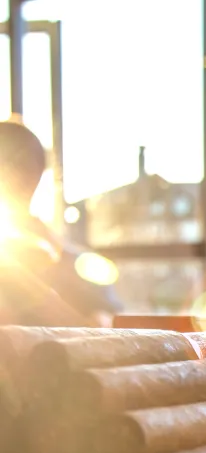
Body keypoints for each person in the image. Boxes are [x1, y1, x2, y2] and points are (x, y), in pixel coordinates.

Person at [0, 118, 121, 325]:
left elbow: (103, 326)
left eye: (19, 165)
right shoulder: (70, 259)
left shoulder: (70, 260)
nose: (15, 174)